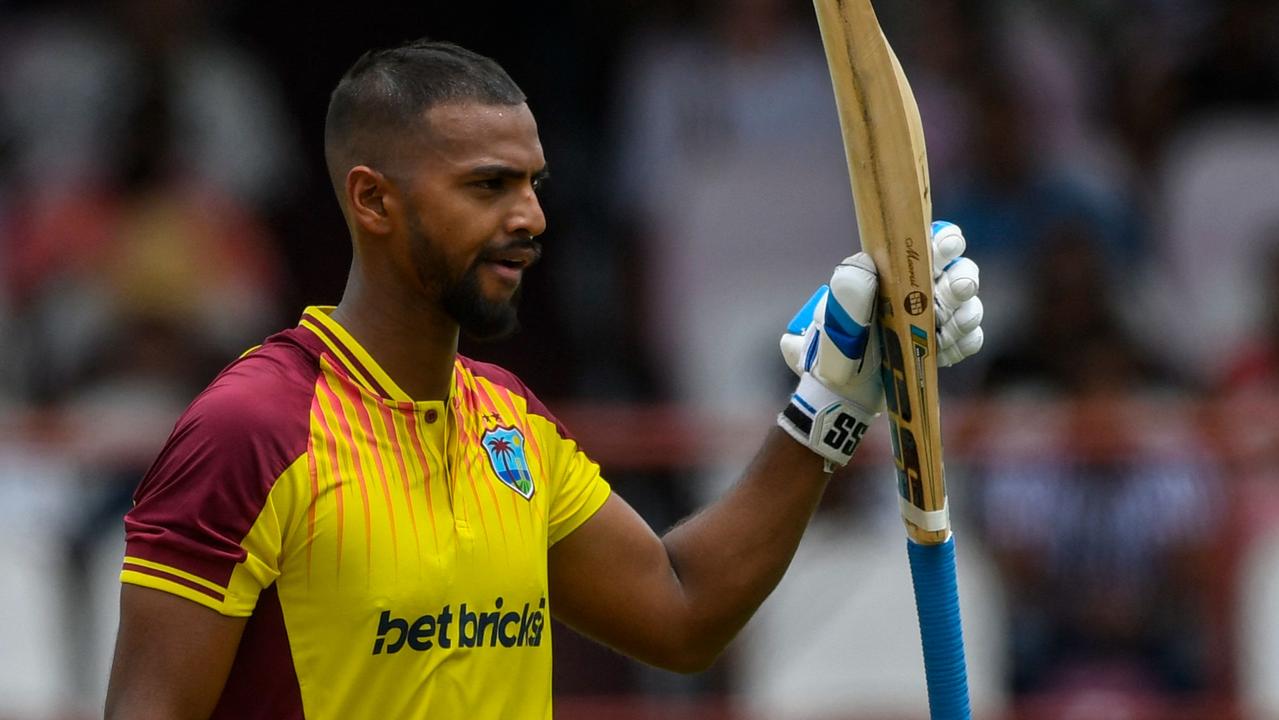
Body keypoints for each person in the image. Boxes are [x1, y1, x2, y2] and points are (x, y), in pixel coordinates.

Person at [103, 40, 985, 719]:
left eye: (532, 182)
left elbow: (679, 613)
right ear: (373, 201)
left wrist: (829, 405)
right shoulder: (249, 430)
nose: (529, 217)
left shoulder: (506, 419)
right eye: (487, 186)